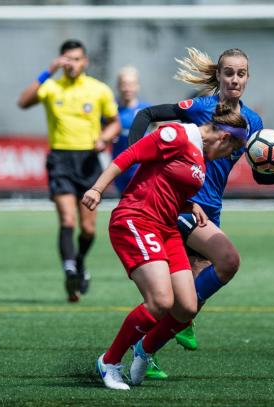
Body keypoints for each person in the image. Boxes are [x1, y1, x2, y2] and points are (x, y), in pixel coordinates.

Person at [127, 47, 274, 377]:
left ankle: (148, 346)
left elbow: (258, 172)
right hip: (184, 207)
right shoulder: (201, 108)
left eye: (241, 73)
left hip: (212, 211)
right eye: (229, 73)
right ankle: (165, 330)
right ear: (218, 76)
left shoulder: (252, 122)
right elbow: (146, 115)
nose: (235, 79)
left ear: (248, 78)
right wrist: (135, 157)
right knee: (226, 262)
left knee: (182, 296)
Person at [83, 103, 249, 390]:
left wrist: (190, 204)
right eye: (231, 151)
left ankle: (144, 350)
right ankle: (109, 362)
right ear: (223, 138)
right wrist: (97, 189)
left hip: (167, 228)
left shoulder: (198, 155)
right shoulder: (176, 135)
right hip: (136, 219)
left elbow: (167, 181)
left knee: (186, 307)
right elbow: (129, 156)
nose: (228, 157)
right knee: (160, 301)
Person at [17, 39, 120, 302]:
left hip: (88, 161)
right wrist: (47, 71)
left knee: (87, 230)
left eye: (76, 59)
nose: (71, 64)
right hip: (60, 160)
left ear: (84, 61)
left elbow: (114, 124)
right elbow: (23, 101)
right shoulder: (50, 86)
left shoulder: (99, 90)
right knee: (67, 219)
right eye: (66, 59)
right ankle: (70, 269)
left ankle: (79, 262)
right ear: (60, 60)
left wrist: (104, 138)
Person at [111, 65, 150, 193]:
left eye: (131, 84)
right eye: (124, 84)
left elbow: (160, 129)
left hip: (141, 167)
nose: (128, 88)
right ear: (118, 86)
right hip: (119, 166)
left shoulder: (147, 110)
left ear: (137, 86)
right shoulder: (111, 109)